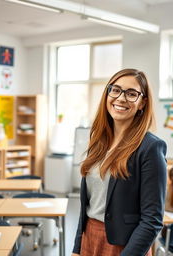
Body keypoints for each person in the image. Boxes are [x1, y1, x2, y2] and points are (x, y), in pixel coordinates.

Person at [71, 68, 167, 256]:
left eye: (131, 94)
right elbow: (87, 206)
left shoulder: (150, 148)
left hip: (126, 246)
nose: (121, 98)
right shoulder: (98, 141)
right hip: (90, 237)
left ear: (142, 103)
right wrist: (77, 248)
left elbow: (152, 220)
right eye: (115, 90)